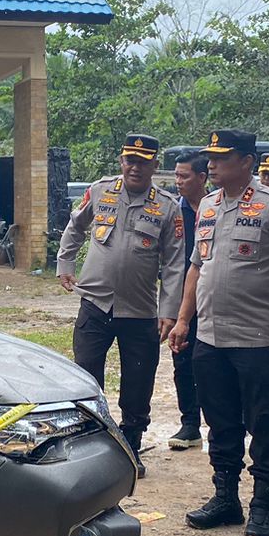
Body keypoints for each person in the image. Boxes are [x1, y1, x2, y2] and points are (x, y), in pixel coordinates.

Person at [170, 129, 269, 536]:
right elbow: (197, 267)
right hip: (210, 336)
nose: (211, 164)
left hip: (257, 338)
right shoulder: (208, 205)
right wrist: (182, 321)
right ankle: (225, 498)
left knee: (262, 422)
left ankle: (262, 506)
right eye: (209, 157)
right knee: (221, 422)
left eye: (221, 157)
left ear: (247, 160)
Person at [56, 134, 185, 464]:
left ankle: (130, 444)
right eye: (130, 160)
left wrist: (168, 312)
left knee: (138, 382)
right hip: (95, 304)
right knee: (86, 375)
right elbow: (75, 226)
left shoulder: (168, 207)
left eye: (143, 162)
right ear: (121, 161)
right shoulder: (101, 191)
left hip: (140, 311)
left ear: (155, 165)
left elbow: (173, 264)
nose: (135, 167)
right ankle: (92, 439)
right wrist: (65, 262)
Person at [168, 150, 210, 450]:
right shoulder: (172, 211)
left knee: (214, 363)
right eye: (176, 175)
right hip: (182, 299)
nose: (178, 181)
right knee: (182, 360)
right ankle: (190, 424)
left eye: (184, 176)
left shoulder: (218, 207)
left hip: (215, 299)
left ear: (202, 177)